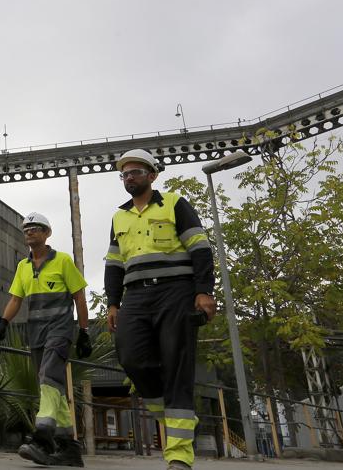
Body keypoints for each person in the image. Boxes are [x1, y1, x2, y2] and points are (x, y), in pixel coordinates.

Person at [104, 149, 217, 470]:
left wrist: (204, 292)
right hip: (135, 296)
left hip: (176, 292)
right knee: (131, 358)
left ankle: (179, 455)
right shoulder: (119, 217)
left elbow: (199, 247)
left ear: (152, 176)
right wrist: (113, 303)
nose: (130, 178)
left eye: (136, 172)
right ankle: (175, 418)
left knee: (177, 364)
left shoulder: (174, 204)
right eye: (125, 174)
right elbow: (114, 264)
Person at [0, 212, 91, 466]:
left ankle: (42, 438)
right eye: (26, 229)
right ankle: (69, 449)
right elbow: (16, 299)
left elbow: (79, 297)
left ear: (47, 233)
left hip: (60, 331)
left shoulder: (62, 261)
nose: (30, 232)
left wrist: (84, 332)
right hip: (36, 334)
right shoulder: (23, 267)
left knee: (49, 377)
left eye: (36, 228)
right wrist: (4, 322)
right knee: (52, 388)